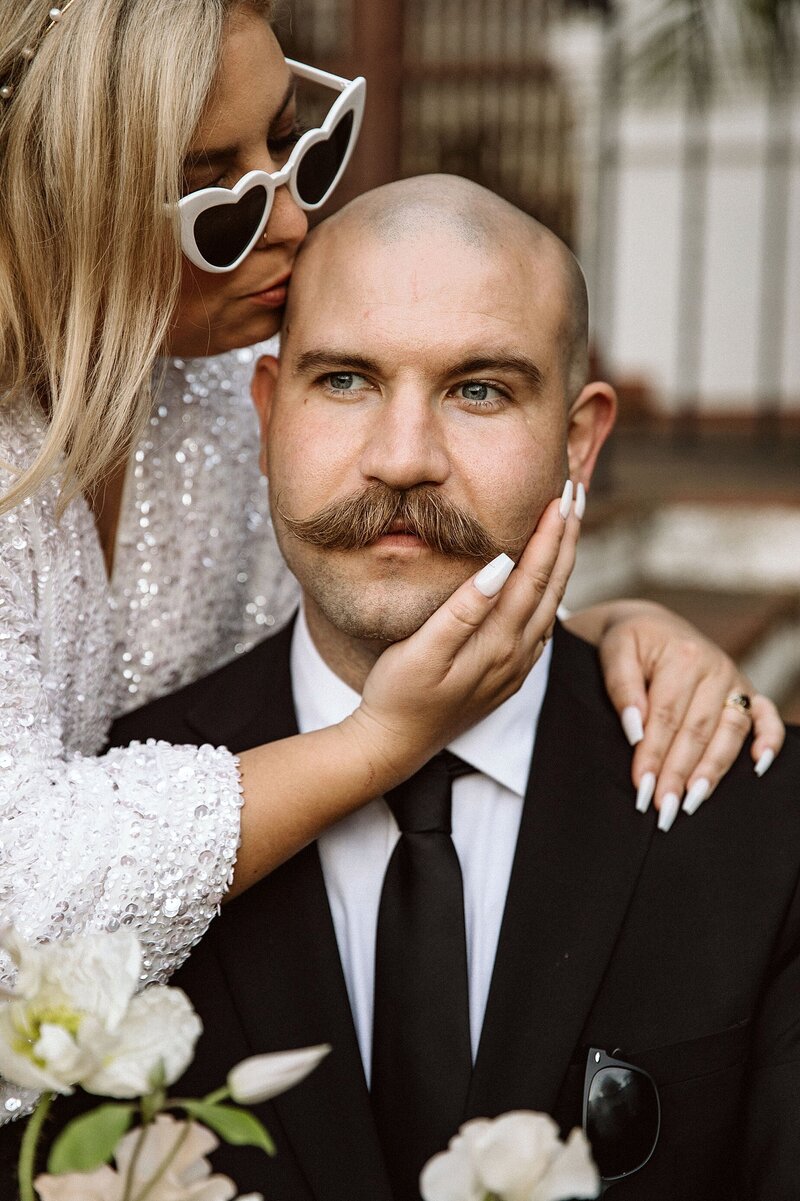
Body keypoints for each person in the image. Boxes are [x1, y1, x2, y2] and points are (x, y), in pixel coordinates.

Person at [0, 0, 782, 1120]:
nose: (287, 219)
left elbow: (373, 584)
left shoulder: (222, 393)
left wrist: (594, 635)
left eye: (297, 141)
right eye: (216, 191)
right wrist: (378, 741)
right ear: (68, 204)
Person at [112, 177, 800, 1201]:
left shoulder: (758, 816)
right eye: (344, 380)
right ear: (266, 413)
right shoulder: (122, 796)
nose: (401, 458)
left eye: (477, 389)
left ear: (579, 439)